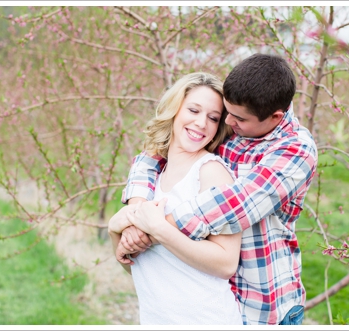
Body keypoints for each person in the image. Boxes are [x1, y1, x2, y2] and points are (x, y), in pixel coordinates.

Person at [119, 53, 318, 325]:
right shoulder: (240, 119)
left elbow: (234, 204)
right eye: (225, 113)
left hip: (263, 305)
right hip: (218, 296)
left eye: (235, 118)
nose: (227, 123)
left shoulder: (295, 151)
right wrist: (136, 207)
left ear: (274, 117)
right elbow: (154, 156)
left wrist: (149, 227)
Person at [107, 72, 242, 324]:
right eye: (193, 110)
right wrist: (114, 230)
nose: (202, 123)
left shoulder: (211, 172)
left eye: (213, 118)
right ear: (174, 110)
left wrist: (159, 229)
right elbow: (137, 266)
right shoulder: (153, 177)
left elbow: (226, 263)